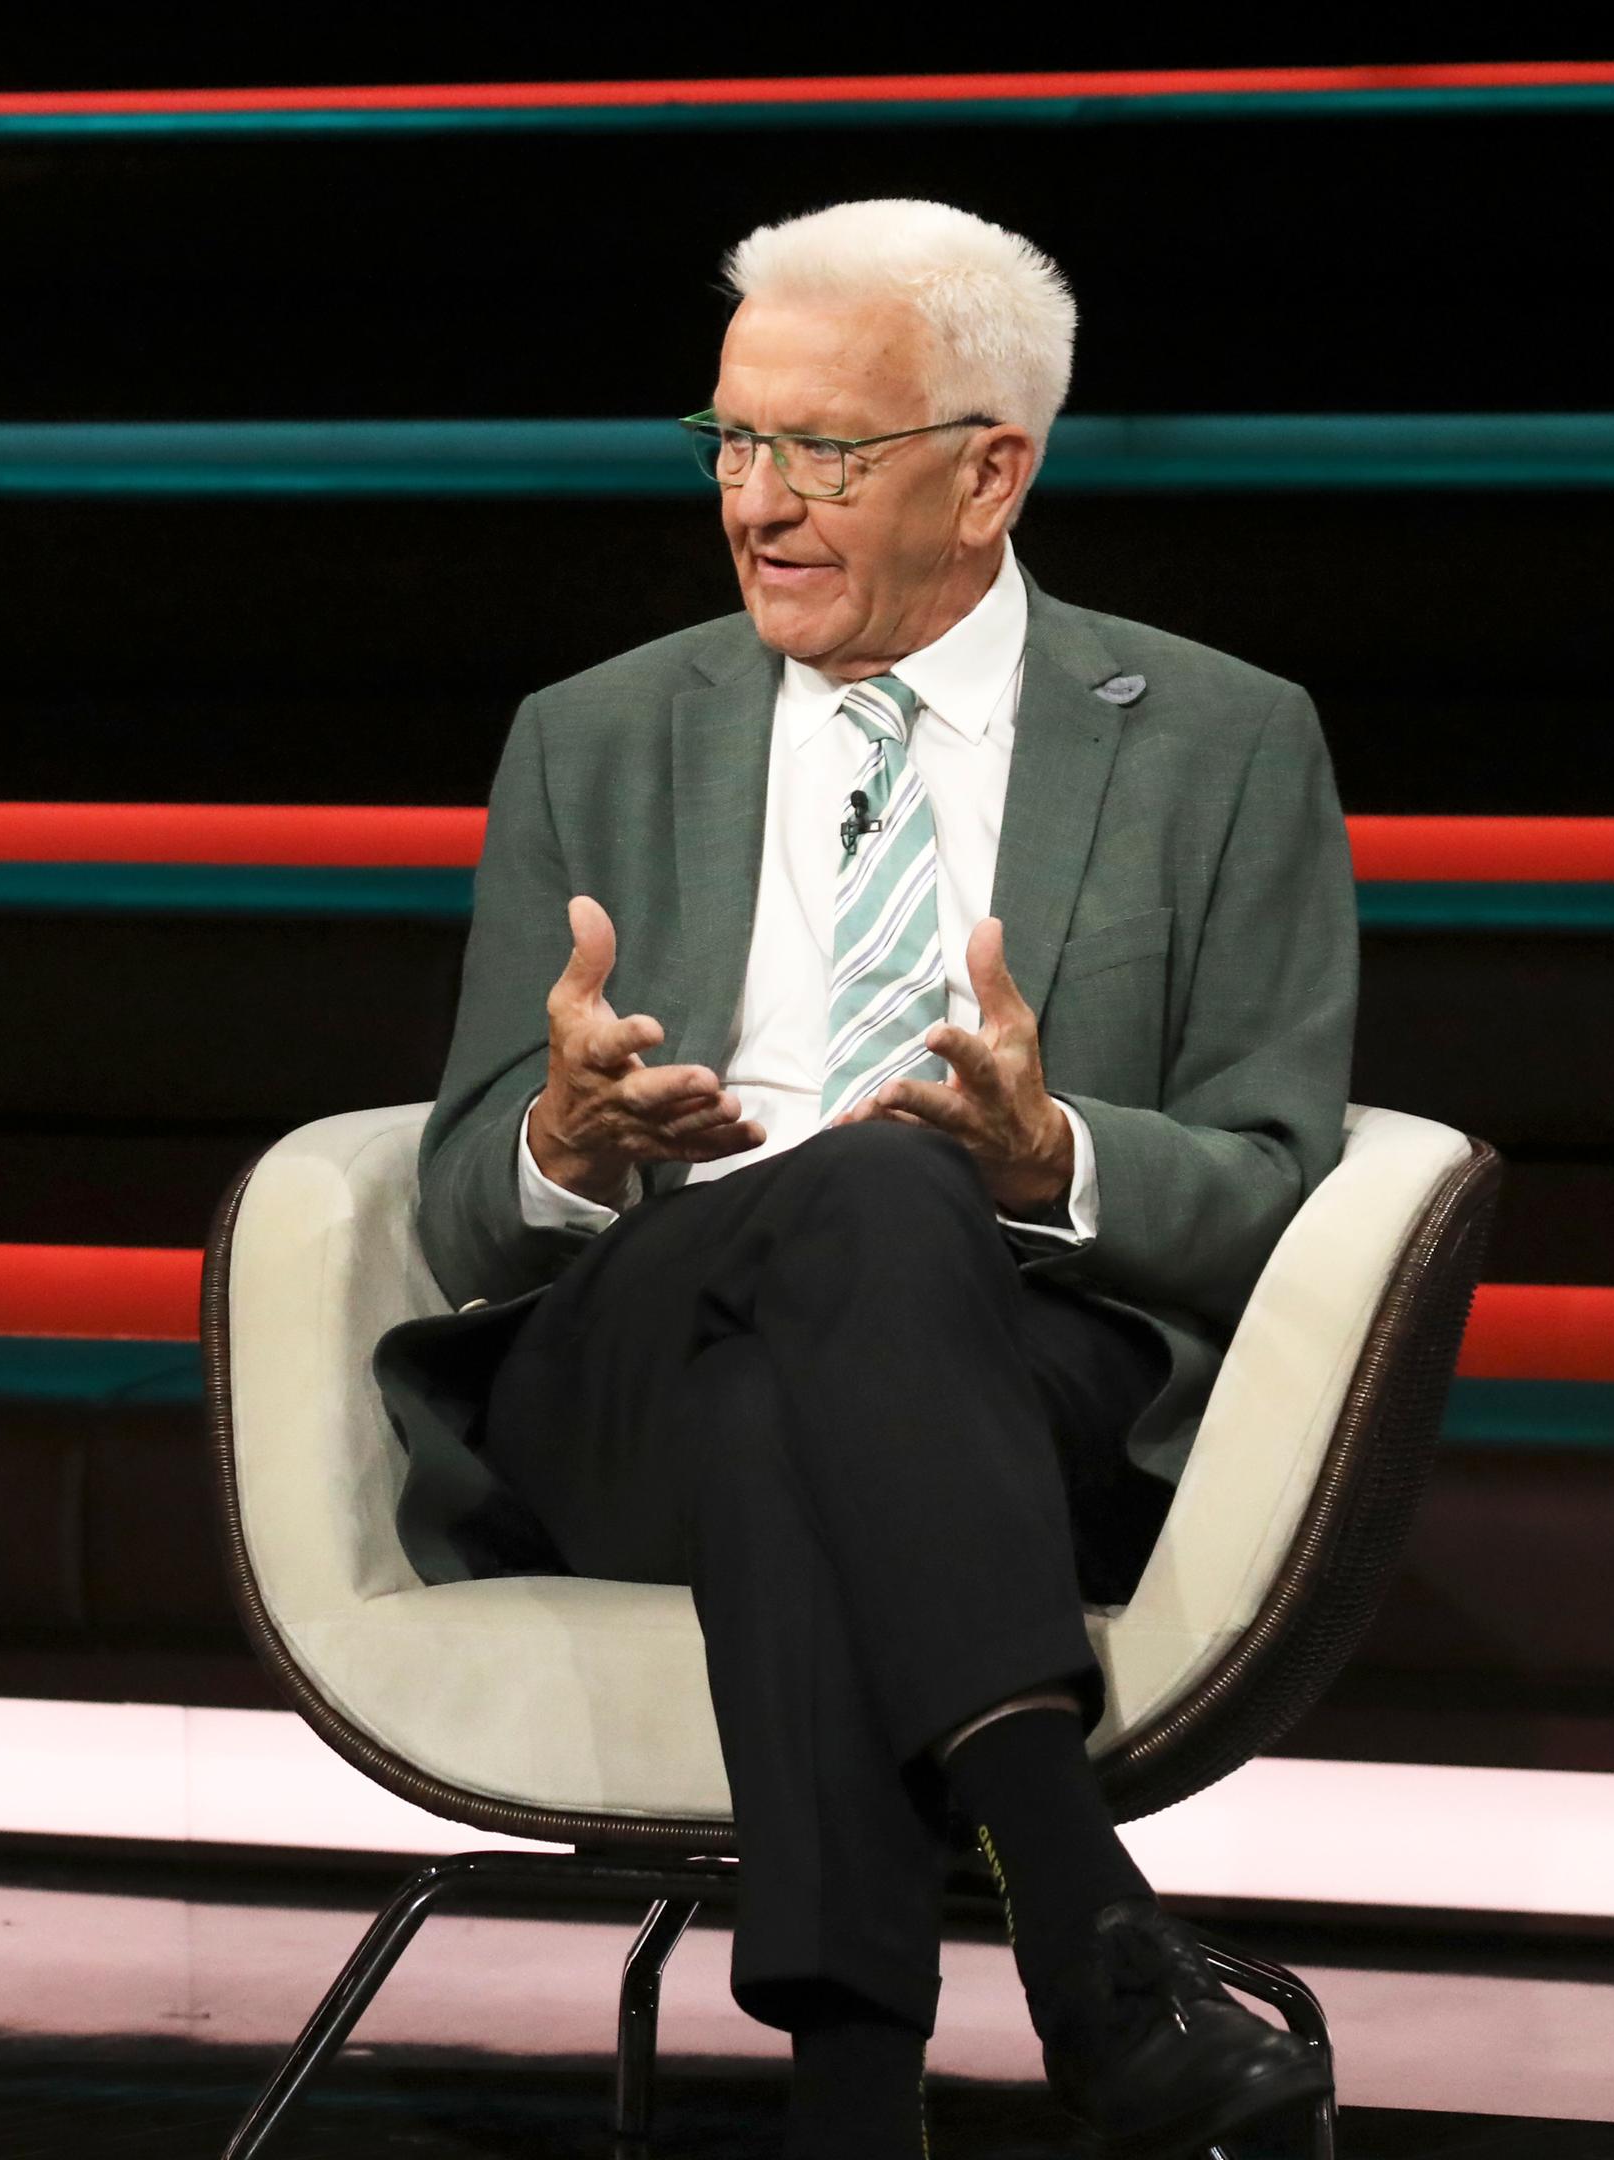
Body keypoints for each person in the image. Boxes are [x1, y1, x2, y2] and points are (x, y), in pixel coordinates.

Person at [387, 199, 1353, 2160]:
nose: (756, 503)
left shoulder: (1228, 743)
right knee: (857, 1208)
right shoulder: (593, 735)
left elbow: (1270, 1180)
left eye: (818, 450)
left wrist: (1052, 1152)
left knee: (823, 1352)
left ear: (991, 470)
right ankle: (1087, 1932)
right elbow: (459, 1201)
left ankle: (847, 2096)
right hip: (626, 1357)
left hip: (1017, 1374)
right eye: (729, 443)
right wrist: (563, 1143)